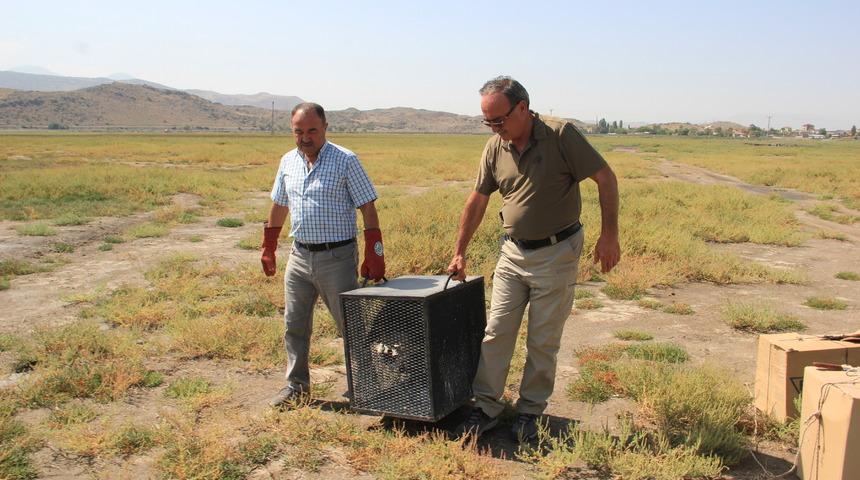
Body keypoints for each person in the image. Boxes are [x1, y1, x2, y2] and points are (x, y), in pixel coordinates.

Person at [447, 76, 620, 441]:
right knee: (496, 333)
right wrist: (459, 251)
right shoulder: (496, 147)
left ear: (523, 108)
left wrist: (609, 235)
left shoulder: (560, 136)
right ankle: (487, 407)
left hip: (557, 252)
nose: (495, 128)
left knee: (542, 340)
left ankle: (529, 412)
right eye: (488, 122)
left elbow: (605, 178)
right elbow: (478, 199)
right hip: (512, 253)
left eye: (500, 120)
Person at [262, 102, 385, 407]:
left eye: (312, 130)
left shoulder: (345, 160)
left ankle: (367, 386)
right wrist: (268, 245)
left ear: (325, 128)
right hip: (299, 256)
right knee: (294, 324)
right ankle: (296, 386)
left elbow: (367, 206)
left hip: (337, 257)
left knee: (349, 324)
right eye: (298, 131)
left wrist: (374, 251)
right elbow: (279, 205)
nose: (305, 137)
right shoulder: (288, 162)